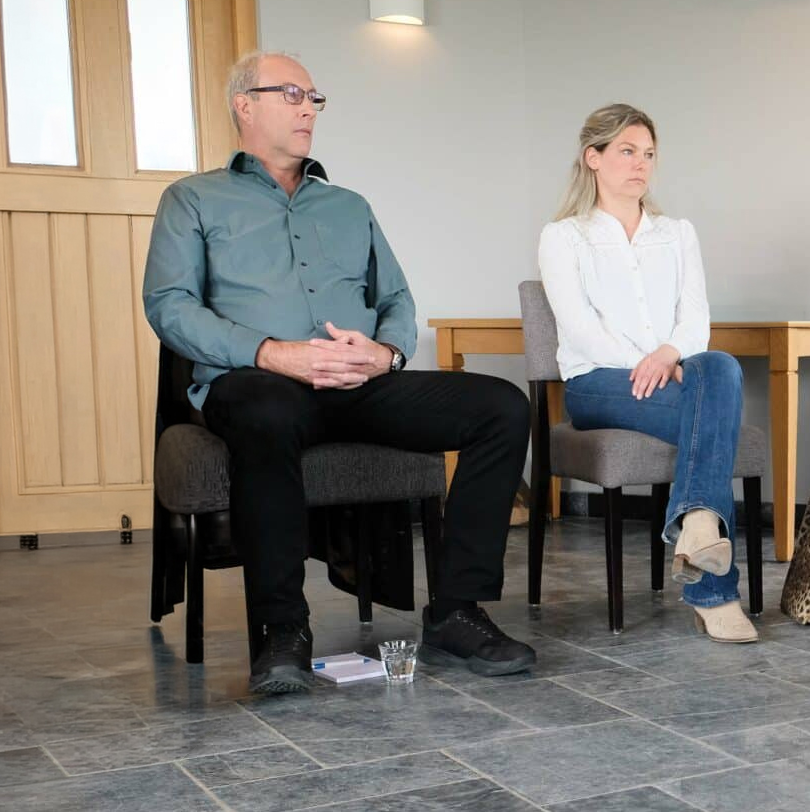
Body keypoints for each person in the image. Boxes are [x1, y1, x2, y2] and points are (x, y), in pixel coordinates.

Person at [143, 51, 538, 693]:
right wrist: (272, 352)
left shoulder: (349, 206)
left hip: (360, 386)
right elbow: (168, 307)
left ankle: (457, 611)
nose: (308, 108)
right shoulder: (192, 199)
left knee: (502, 405)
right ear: (244, 105)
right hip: (258, 383)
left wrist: (385, 354)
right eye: (292, 94)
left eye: (314, 98)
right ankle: (281, 631)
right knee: (264, 409)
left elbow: (397, 301)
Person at [538, 104, 757, 643]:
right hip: (597, 385)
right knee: (716, 404)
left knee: (722, 366)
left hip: (676, 373)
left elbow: (696, 319)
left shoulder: (677, 233)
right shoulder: (564, 236)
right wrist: (652, 364)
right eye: (627, 151)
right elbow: (580, 327)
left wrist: (668, 355)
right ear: (594, 157)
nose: (641, 164)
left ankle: (701, 533)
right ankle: (713, 586)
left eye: (649, 154)